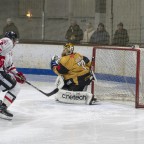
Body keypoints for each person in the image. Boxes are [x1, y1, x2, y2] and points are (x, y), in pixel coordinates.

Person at [0, 31, 26, 120]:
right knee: (16, 88)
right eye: (15, 40)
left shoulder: (9, 51)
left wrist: (17, 74)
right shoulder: (8, 41)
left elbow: (9, 66)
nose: (15, 42)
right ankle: (1, 109)